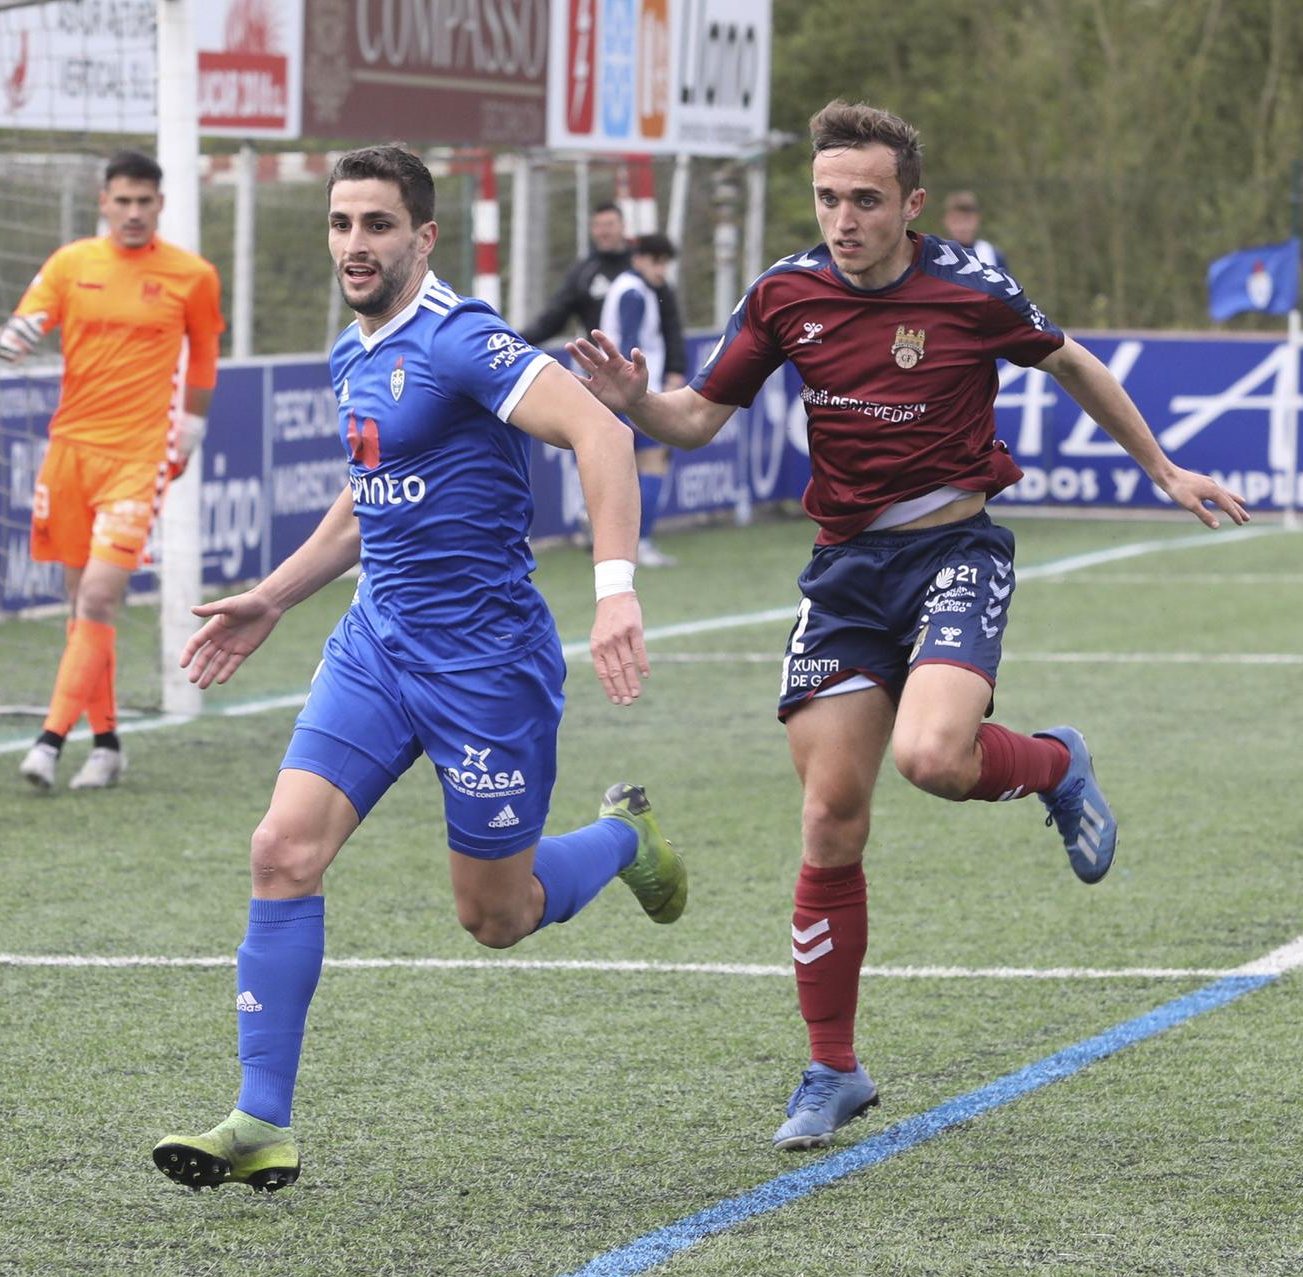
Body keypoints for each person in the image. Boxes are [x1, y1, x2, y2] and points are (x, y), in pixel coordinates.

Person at [567, 100, 1249, 1153]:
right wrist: (628, 401)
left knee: (932, 755)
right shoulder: (783, 295)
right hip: (843, 576)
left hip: (952, 551)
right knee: (828, 816)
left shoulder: (968, 289)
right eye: (828, 197)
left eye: (865, 200)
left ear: (909, 204)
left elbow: (1069, 362)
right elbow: (696, 418)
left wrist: (1158, 468)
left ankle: (1055, 761)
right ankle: (831, 1067)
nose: (843, 218)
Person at [149, 144, 689, 1192]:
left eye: (378, 225)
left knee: (494, 916)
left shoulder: (460, 340)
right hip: (375, 645)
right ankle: (259, 1117)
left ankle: (621, 836)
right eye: (342, 223)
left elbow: (598, 432)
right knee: (279, 850)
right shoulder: (353, 351)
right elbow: (368, 496)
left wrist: (614, 584)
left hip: (486, 665)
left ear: (422, 236)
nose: (356, 243)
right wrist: (273, 593)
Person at [0, 149, 224, 792]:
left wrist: (191, 432)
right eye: (121, 201)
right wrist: (16, 335)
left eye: (144, 202)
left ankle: (48, 741)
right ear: (104, 201)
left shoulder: (191, 275)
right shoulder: (72, 263)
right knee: (81, 605)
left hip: (138, 455)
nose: (132, 212)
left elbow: (203, 359)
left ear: (160, 205)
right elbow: (31, 315)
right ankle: (109, 743)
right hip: (69, 451)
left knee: (99, 595)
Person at [613, 234, 691, 567]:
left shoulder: (634, 288)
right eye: (656, 261)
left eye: (665, 262)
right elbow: (629, 344)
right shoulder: (634, 292)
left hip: (624, 392)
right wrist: (635, 398)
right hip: (631, 395)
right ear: (639, 259)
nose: (661, 269)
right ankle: (640, 544)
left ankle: (624, 546)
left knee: (626, 472)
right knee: (652, 463)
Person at [516, 200, 630, 346]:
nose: (603, 232)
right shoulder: (583, 272)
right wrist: (517, 341)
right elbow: (553, 318)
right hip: (601, 363)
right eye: (598, 226)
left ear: (623, 226)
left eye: (609, 225)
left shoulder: (640, 265)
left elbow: (666, 317)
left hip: (645, 361)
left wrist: (670, 365)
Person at [941, 190, 1007, 270]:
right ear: (946, 220)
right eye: (957, 220)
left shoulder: (992, 254)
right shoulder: (937, 254)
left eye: (967, 220)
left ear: (977, 219)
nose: (962, 226)